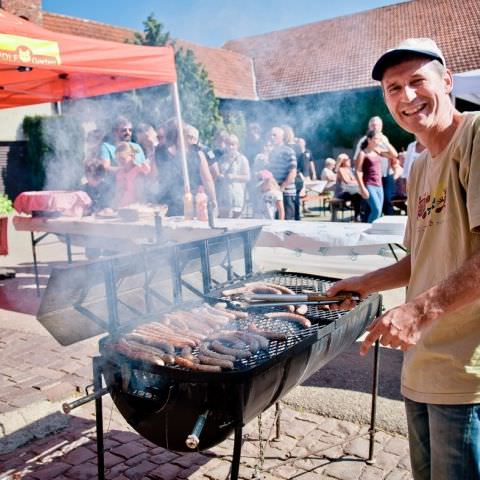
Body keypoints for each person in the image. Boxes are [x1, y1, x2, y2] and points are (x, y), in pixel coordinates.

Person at [327, 38, 480, 480]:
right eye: (394, 88)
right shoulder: (417, 165)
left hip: (468, 377)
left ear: (447, 81)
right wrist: (365, 281)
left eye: (417, 81)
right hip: (421, 367)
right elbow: (422, 256)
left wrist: (418, 310)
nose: (406, 97)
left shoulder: (475, 137)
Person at [354, 116, 399, 215]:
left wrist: (384, 141)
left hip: (385, 175)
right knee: (371, 207)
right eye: (373, 125)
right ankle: (368, 226)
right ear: (369, 126)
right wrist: (361, 184)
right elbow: (357, 161)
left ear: (381, 127)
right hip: (370, 178)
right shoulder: (364, 141)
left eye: (377, 125)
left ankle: (387, 226)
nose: (375, 127)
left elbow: (394, 155)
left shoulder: (383, 139)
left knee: (387, 202)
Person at [216, 134, 250, 218]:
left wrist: (234, 177)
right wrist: (220, 176)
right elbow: (219, 172)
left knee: (236, 219)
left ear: (237, 145)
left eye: (233, 145)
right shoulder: (222, 159)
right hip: (224, 192)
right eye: (228, 144)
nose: (230, 147)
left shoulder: (242, 159)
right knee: (223, 218)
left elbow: (247, 177)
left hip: (237, 193)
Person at [267, 127, 297, 220]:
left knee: (287, 224)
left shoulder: (288, 151)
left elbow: (293, 172)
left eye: (274, 135)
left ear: (281, 137)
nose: (271, 137)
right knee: (275, 224)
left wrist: (282, 187)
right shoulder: (271, 152)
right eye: (270, 135)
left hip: (286, 193)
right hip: (275, 192)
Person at [355, 130, 385, 222]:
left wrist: (384, 142)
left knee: (379, 212)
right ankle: (368, 232)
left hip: (379, 185)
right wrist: (362, 188)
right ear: (369, 139)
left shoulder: (377, 152)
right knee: (376, 210)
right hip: (369, 184)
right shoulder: (362, 153)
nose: (378, 141)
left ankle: (374, 232)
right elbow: (358, 171)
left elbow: (394, 154)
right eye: (376, 139)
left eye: (379, 139)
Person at [113, 142, 150, 207]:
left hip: (134, 209)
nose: (120, 162)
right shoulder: (120, 174)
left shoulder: (139, 172)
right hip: (121, 208)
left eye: (123, 159)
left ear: (132, 156)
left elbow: (141, 196)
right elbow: (118, 194)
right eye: (118, 159)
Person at [334, 153, 362, 222]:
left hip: (351, 191)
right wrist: (356, 181)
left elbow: (355, 180)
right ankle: (357, 215)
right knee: (357, 195)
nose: (349, 160)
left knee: (359, 195)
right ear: (342, 161)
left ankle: (359, 215)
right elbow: (347, 181)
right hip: (342, 193)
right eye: (347, 159)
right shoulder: (341, 170)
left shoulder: (350, 169)